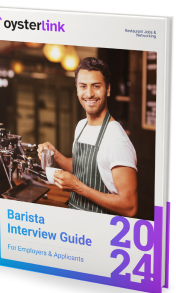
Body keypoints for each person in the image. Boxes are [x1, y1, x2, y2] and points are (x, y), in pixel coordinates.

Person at [38, 57, 138, 217]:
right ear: (77, 89)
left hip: (101, 229)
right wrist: (55, 154)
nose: (89, 93)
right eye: (83, 86)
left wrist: (77, 187)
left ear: (108, 89)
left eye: (96, 86)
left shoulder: (117, 141)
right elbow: (81, 168)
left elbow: (129, 206)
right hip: (76, 221)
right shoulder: (81, 126)